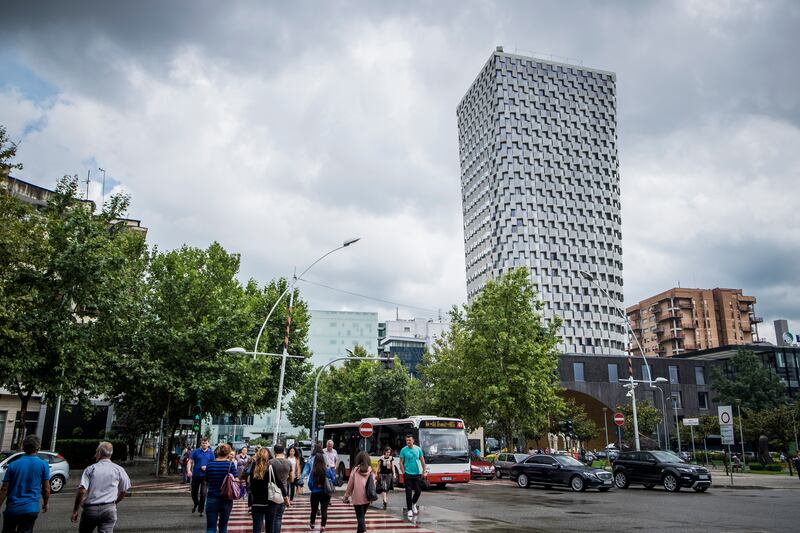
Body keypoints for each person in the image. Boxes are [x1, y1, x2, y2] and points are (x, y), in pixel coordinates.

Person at [71, 441, 131, 533]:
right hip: (109, 510)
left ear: (99, 453)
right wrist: (115, 503)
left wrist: (75, 510)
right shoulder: (119, 470)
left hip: (90, 510)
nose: (95, 455)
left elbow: (82, 491)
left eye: (96, 452)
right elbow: (123, 491)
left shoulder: (90, 469)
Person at [0, 435, 49, 533]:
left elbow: (4, 489)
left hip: (12, 509)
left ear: (23, 447)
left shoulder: (13, 465)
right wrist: (46, 503)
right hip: (31, 509)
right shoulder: (44, 465)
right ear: (38, 448)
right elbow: (46, 489)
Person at [245, 448, 290, 533]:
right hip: (270, 502)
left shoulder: (253, 468)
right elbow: (279, 483)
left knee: (257, 528)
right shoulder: (270, 467)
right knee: (270, 527)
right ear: (268, 456)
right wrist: (285, 497)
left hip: (256, 502)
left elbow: (250, 484)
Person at [204, 444, 238, 533]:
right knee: (223, 526)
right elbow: (236, 480)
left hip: (212, 497)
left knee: (211, 527)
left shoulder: (210, 465)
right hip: (226, 498)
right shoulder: (230, 465)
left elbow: (207, 480)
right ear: (228, 453)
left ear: (217, 452)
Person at [343, 452, 376, 533]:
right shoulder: (371, 470)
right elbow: (373, 484)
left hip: (357, 498)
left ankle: (364, 531)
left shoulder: (355, 470)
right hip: (367, 497)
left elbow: (350, 485)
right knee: (361, 517)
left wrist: (346, 496)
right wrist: (372, 497)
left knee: (360, 518)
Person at [398, 434, 426, 519]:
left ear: (413, 440)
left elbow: (422, 461)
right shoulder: (403, 450)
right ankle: (409, 509)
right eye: (407, 440)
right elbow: (401, 463)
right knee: (408, 493)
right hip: (408, 474)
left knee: (418, 491)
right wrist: (404, 473)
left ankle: (414, 503)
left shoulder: (418, 449)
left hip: (417, 474)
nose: (408, 442)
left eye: (410, 440)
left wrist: (424, 471)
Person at [307, 454, 336, 532]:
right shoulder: (328, 470)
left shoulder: (313, 470)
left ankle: (312, 523)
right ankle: (323, 526)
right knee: (324, 510)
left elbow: (310, 483)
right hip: (325, 493)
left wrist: (312, 489)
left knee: (314, 510)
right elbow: (334, 480)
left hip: (315, 493)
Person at [187, 438, 215, 516]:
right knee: (193, 493)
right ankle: (197, 503)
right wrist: (189, 471)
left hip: (206, 476)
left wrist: (207, 467)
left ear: (208, 444)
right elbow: (190, 461)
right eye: (203, 443)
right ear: (201, 444)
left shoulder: (211, 453)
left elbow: (213, 464)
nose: (204, 444)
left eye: (206, 443)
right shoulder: (196, 451)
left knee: (203, 493)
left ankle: (201, 510)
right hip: (196, 475)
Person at [269, 444, 292, 533]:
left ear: (274, 451)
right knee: (279, 517)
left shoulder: (270, 462)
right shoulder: (288, 462)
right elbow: (292, 478)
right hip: (284, 492)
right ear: (283, 451)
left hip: (272, 492)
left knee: (271, 517)